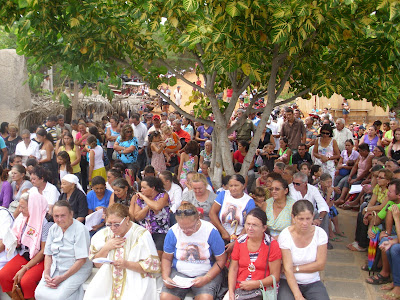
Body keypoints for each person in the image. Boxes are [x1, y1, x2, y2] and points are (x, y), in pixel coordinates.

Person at [84, 203, 161, 300]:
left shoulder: (141, 235)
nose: (112, 228)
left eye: (116, 224)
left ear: (127, 220)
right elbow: (97, 264)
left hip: (136, 278)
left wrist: (126, 264)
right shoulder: (105, 233)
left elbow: (152, 267)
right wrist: (107, 247)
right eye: (109, 224)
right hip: (108, 278)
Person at [161, 202, 227, 300]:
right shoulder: (173, 232)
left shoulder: (210, 231)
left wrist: (207, 278)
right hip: (180, 272)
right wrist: (166, 277)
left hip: (205, 271)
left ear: (198, 219)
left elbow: (221, 260)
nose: (186, 231)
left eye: (191, 227)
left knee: (205, 298)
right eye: (182, 228)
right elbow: (166, 258)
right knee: (166, 297)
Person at [35, 200, 92, 300]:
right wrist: (47, 273)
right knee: (39, 294)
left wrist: (62, 278)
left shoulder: (80, 229)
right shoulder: (53, 228)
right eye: (56, 216)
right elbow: (48, 254)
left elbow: (81, 260)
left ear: (71, 214)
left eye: (63, 215)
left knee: (59, 297)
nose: (59, 219)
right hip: (56, 268)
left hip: (77, 269)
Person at [0, 193, 53, 299]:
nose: (19, 210)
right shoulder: (23, 219)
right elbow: (20, 241)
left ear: (33, 207)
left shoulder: (46, 223)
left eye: (22, 207)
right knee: (3, 275)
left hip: (41, 258)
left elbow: (43, 252)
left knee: (26, 281)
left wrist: (25, 268)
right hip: (25, 254)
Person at [277, 200, 329, 300]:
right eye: (300, 219)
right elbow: (287, 270)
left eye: (308, 218)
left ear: (313, 216)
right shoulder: (285, 235)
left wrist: (295, 268)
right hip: (288, 281)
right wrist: (298, 296)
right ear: (293, 217)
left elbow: (320, 264)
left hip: (312, 281)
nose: (305, 223)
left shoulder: (320, 234)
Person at [228, 208, 281, 300]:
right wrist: (231, 292)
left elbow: (275, 277)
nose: (250, 228)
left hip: (262, 290)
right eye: (248, 224)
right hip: (240, 288)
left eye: (254, 225)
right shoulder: (240, 242)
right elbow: (233, 269)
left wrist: (256, 284)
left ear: (264, 228)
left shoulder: (271, 244)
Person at [209, 174, 256, 248]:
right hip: (221, 233)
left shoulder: (249, 201)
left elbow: (249, 223)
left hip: (240, 236)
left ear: (243, 186)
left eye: (236, 185)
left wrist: (237, 241)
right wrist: (223, 232)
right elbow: (212, 213)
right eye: (231, 186)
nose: (233, 188)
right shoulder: (223, 194)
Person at [289, 172, 331, 248]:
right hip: (297, 213)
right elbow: (294, 207)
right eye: (294, 183)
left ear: (305, 183)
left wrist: (319, 219)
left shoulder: (313, 189)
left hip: (311, 213)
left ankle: (324, 240)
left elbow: (323, 205)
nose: (295, 185)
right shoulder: (291, 189)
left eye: (297, 184)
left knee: (324, 215)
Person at [132, 176, 170, 258]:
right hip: (144, 231)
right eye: (141, 187)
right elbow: (137, 217)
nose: (141, 190)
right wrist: (147, 207)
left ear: (153, 188)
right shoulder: (139, 199)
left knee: (157, 256)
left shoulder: (163, 195)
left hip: (160, 231)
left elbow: (157, 207)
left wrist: (144, 198)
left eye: (144, 188)